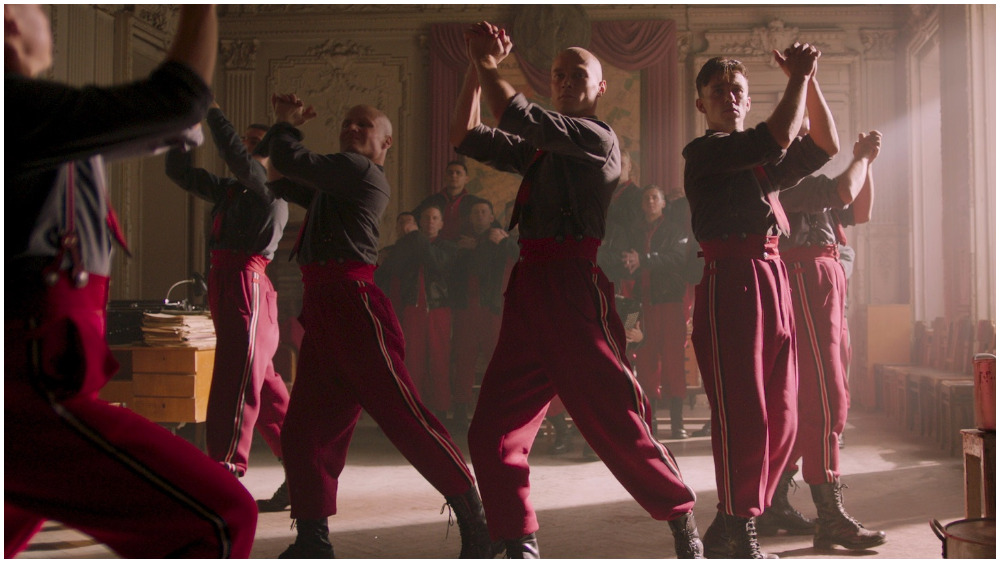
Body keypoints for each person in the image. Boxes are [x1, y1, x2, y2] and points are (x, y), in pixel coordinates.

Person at [5, 4, 258, 558]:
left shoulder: (33, 116)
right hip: (29, 384)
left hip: (43, 371)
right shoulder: (13, 107)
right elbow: (178, 102)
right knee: (221, 520)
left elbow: (169, 122)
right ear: (11, 23)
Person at [453, 22, 702, 559]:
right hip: (528, 287)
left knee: (616, 418)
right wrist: (476, 68)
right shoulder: (541, 150)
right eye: (559, 75)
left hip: (572, 285)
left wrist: (487, 61)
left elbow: (515, 114)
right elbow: (465, 134)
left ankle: (683, 523)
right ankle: (517, 538)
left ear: (600, 86)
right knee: (492, 429)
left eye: (578, 75)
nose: (566, 82)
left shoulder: (597, 138)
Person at [257, 95, 493, 558]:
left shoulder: (359, 171)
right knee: (303, 432)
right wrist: (267, 140)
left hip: (354, 308)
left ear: (386, 143)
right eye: (347, 123)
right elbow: (276, 175)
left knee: (406, 420)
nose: (351, 129)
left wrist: (284, 123)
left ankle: (476, 521)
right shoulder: (335, 184)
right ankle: (313, 541)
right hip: (325, 310)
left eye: (363, 125)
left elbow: (290, 160)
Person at [682, 46, 840, 558]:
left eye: (738, 91)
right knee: (743, 416)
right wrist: (796, 78)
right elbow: (776, 137)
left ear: (749, 101)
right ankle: (739, 530)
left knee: (785, 418)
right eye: (718, 92)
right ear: (702, 104)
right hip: (730, 279)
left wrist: (808, 79)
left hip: (774, 277)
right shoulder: (704, 153)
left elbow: (825, 143)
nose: (729, 97)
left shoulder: (759, 167)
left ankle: (734, 521)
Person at [755, 131, 886, 550]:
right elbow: (843, 190)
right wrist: (860, 156)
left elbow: (860, 210)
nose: (813, 148)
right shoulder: (782, 180)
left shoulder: (811, 184)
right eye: (803, 140)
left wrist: (869, 163)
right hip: (805, 279)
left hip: (822, 280)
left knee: (818, 400)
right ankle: (830, 516)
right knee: (825, 398)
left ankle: (774, 499)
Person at [165, 102, 292, 512]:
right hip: (228, 283)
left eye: (257, 143)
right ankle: (304, 466)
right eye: (247, 141)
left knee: (235, 381)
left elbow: (239, 159)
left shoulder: (269, 188)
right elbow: (180, 172)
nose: (249, 147)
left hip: (247, 285)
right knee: (265, 387)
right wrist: (183, 128)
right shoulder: (232, 190)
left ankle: (224, 473)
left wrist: (212, 111)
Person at [621, 185, 699, 440]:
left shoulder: (676, 231)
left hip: (670, 304)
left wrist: (643, 260)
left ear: (664, 203)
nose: (651, 201)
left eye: (655, 197)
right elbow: (624, 265)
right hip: (640, 305)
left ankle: (677, 424)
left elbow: (676, 259)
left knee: (673, 361)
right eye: (647, 198)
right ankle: (649, 423)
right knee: (645, 362)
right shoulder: (633, 232)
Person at [449, 199, 517, 428]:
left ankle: (496, 409)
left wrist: (477, 246)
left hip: (491, 308)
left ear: (491, 217)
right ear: (470, 217)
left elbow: (482, 265)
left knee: (494, 360)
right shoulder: (460, 240)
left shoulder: (499, 239)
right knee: (463, 359)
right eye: (475, 212)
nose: (479, 215)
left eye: (483, 212)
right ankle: (460, 410)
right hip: (466, 307)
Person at [396, 204, 459, 423]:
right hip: (412, 309)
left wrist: (417, 238)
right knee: (413, 361)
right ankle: (414, 409)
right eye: (426, 218)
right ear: (420, 221)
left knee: (439, 360)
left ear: (441, 224)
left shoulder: (449, 247)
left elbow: (437, 264)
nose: (430, 222)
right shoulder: (408, 245)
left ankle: (441, 410)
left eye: (434, 218)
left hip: (439, 309)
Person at [414, 160, 484, 241]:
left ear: (466, 179)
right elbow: (414, 218)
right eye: (450, 173)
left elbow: (489, 226)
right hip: (436, 246)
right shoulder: (432, 200)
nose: (453, 175)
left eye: (458, 173)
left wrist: (476, 244)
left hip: (464, 247)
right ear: (445, 177)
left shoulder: (475, 202)